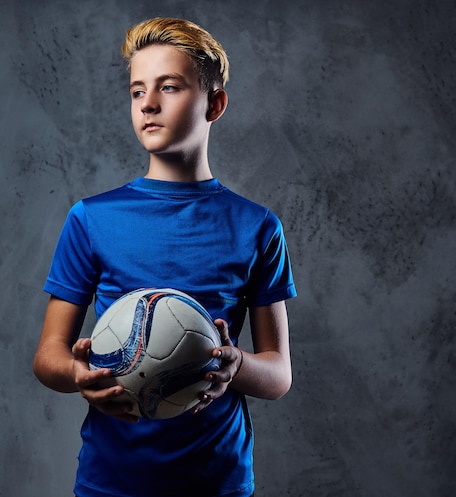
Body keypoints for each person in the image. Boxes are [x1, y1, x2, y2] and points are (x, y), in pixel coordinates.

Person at [32, 17, 296, 497]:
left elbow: (278, 374)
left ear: (214, 103)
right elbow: (48, 355)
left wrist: (236, 364)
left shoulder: (257, 226)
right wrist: (77, 373)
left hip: (217, 481)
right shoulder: (92, 218)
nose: (148, 103)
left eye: (169, 87)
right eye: (137, 91)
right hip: (111, 481)